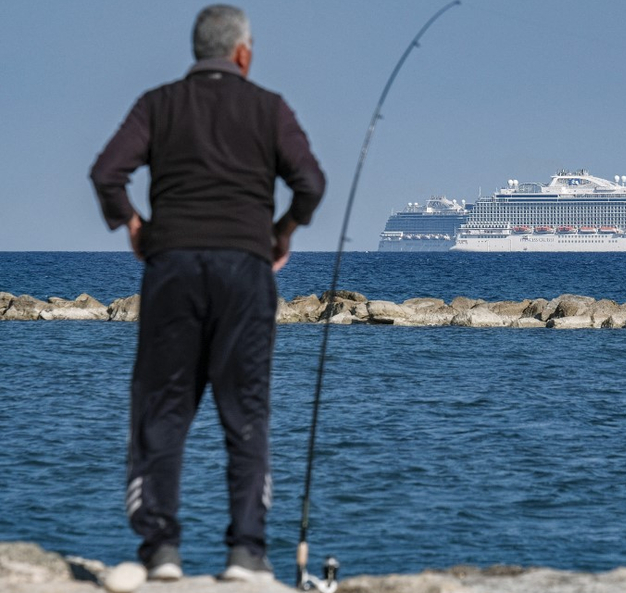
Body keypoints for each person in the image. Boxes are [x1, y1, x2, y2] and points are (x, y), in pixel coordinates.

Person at [90, 4, 325, 583]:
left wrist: (134, 225)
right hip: (246, 270)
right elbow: (311, 182)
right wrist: (283, 232)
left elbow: (106, 173)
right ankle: (245, 553)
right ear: (243, 53)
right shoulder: (268, 108)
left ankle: (161, 552)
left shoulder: (158, 103)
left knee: (162, 408)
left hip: (171, 269)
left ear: (197, 50)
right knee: (246, 413)